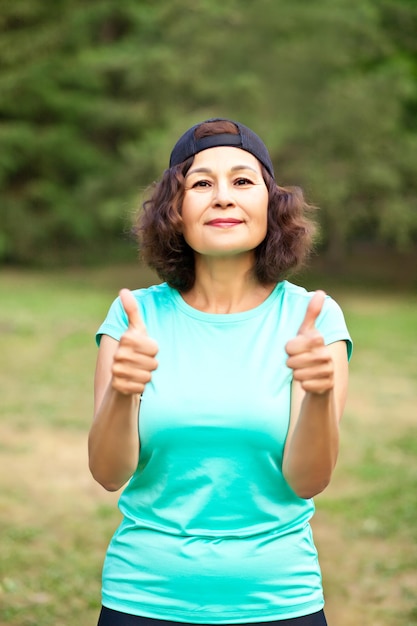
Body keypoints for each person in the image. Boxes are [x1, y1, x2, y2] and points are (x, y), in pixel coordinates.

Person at [89, 118, 352, 626]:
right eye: (202, 183)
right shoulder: (133, 317)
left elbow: (308, 481)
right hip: (142, 598)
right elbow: (107, 473)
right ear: (175, 210)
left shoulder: (312, 320)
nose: (223, 197)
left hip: (279, 602)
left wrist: (319, 396)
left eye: (243, 181)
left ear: (272, 207)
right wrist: (123, 392)